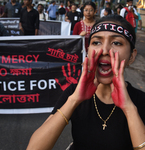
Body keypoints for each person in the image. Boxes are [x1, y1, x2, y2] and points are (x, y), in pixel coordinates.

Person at [27, 14, 145, 150]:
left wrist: (129, 109)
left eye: (116, 43)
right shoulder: (74, 93)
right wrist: (74, 100)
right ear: (88, 51)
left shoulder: (140, 101)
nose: (104, 50)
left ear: (132, 56)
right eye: (96, 42)